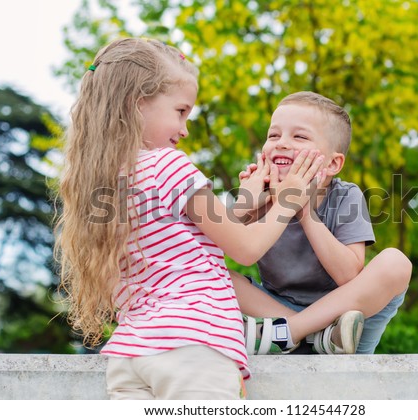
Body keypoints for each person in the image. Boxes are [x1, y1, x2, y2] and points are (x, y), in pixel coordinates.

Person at [53, 38, 325, 400]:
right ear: (138, 104)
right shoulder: (169, 165)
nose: (185, 128)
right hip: (193, 347)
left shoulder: (104, 181)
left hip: (130, 356)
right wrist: (289, 198)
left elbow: (187, 232)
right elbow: (245, 249)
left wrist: (246, 200)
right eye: (181, 111)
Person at [231, 91, 412, 355]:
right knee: (208, 271)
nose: (281, 143)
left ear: (333, 163)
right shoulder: (261, 193)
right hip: (277, 310)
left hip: (345, 324)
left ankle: (297, 332)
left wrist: (303, 210)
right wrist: (244, 205)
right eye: (273, 135)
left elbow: (348, 275)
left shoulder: (345, 195)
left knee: (396, 262)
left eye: (299, 136)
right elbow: (214, 248)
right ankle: (311, 335)